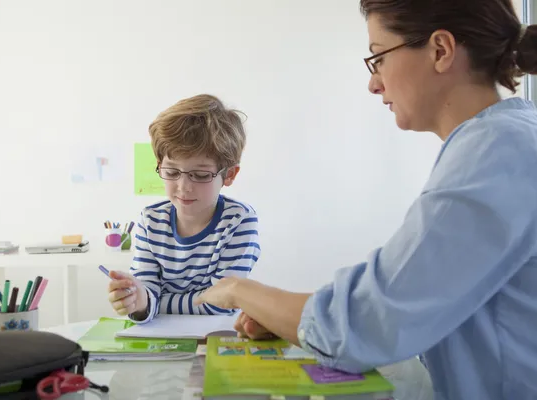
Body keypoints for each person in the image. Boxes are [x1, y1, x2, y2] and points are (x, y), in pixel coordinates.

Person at [195, 1, 537, 399]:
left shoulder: (497, 152)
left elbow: (367, 324)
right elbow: (402, 299)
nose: (374, 83)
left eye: (378, 58)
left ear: (440, 50)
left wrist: (240, 289)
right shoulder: (502, 140)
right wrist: (290, 318)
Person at [108, 94, 260, 323]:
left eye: (200, 175)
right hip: (160, 339)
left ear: (229, 175)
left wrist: (155, 302)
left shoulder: (238, 221)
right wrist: (137, 300)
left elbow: (222, 304)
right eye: (171, 172)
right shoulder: (150, 220)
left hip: (216, 336)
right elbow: (145, 296)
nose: (183, 187)